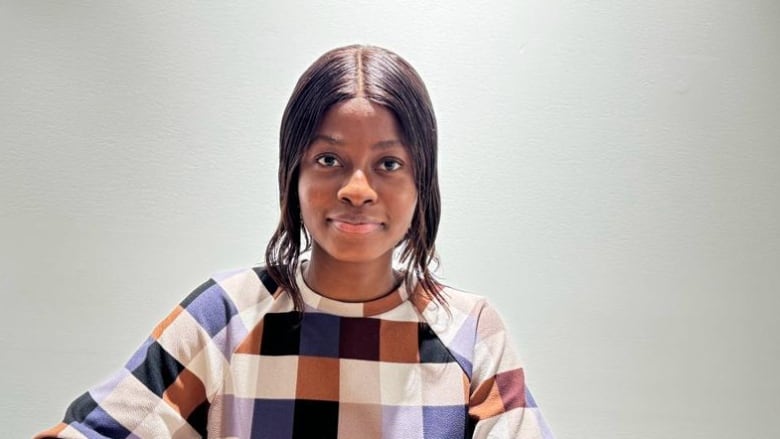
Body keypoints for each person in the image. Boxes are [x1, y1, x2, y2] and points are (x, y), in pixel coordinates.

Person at [37, 44, 554, 439]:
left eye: (389, 164)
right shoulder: (226, 316)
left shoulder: (468, 330)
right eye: (328, 160)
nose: (357, 190)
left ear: (423, 183)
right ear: (293, 174)